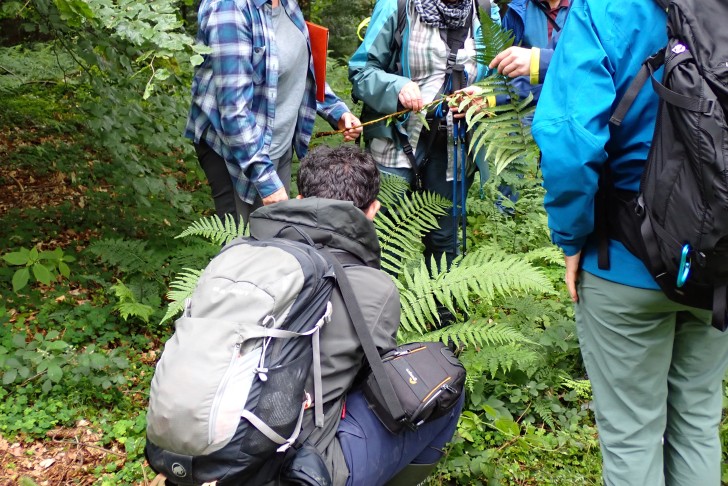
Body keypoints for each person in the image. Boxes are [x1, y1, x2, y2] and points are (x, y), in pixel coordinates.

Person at [532, 1, 728, 485]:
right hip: (716, 261)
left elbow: (571, 144)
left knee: (632, 439)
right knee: (699, 426)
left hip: (621, 261)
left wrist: (571, 237)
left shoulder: (603, 8)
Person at [248, 145, 464, 486]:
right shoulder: (373, 288)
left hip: (210, 441)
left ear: (301, 198)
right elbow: (371, 380)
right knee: (443, 381)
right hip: (302, 468)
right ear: (373, 210)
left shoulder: (243, 258)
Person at [349, 0, 501, 271]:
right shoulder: (397, 7)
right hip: (395, 142)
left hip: (453, 146)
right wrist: (396, 87)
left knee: (444, 238)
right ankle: (374, 304)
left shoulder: (485, 10)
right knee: (380, 233)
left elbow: (502, 78)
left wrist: (485, 97)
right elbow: (361, 71)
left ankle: (439, 310)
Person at [185, 0, 362, 226]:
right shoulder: (228, 8)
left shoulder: (287, 4)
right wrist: (266, 180)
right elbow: (233, 110)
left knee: (274, 238)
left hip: (279, 144)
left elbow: (301, 69)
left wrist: (336, 111)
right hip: (234, 151)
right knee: (240, 248)